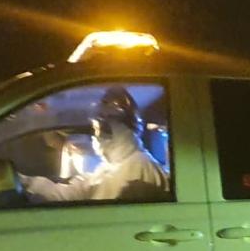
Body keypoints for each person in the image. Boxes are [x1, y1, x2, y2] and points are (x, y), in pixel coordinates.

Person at [24, 87, 169, 204]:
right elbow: (78, 191)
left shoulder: (137, 167)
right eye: (96, 127)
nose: (97, 134)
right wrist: (26, 183)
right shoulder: (112, 166)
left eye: (103, 125)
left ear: (122, 126)